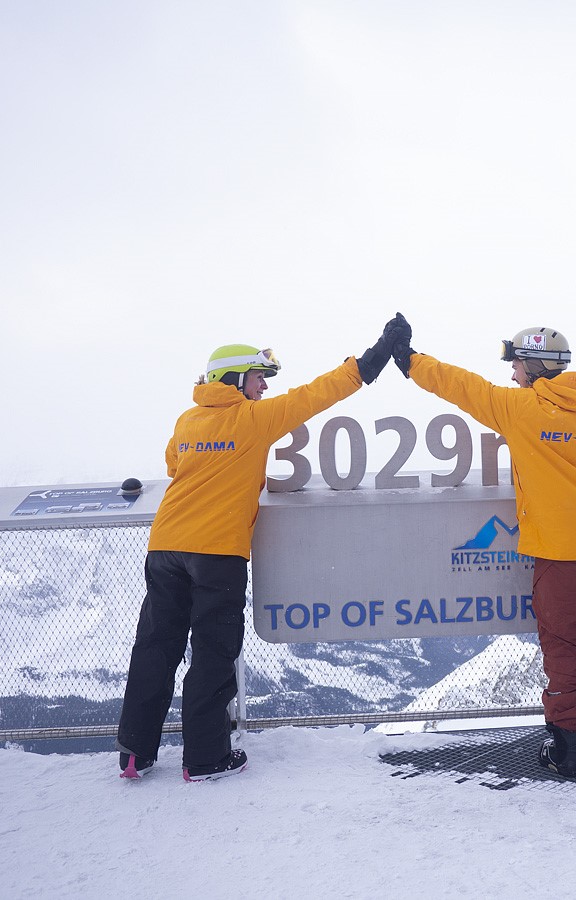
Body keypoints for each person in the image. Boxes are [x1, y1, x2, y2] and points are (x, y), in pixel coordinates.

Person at [116, 315, 410, 782]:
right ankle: (206, 758)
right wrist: (374, 356)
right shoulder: (254, 420)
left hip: (165, 545)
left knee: (155, 647)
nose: (264, 389)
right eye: (258, 379)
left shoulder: (187, 419)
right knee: (213, 652)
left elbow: (174, 465)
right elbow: (320, 393)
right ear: (234, 379)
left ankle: (134, 753)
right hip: (217, 553)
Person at [391, 320, 576, 776]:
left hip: (559, 559)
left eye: (517, 365)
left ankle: (568, 752)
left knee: (563, 654)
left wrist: (408, 360)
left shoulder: (520, 410)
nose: (512, 376)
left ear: (535, 367)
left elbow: (459, 386)